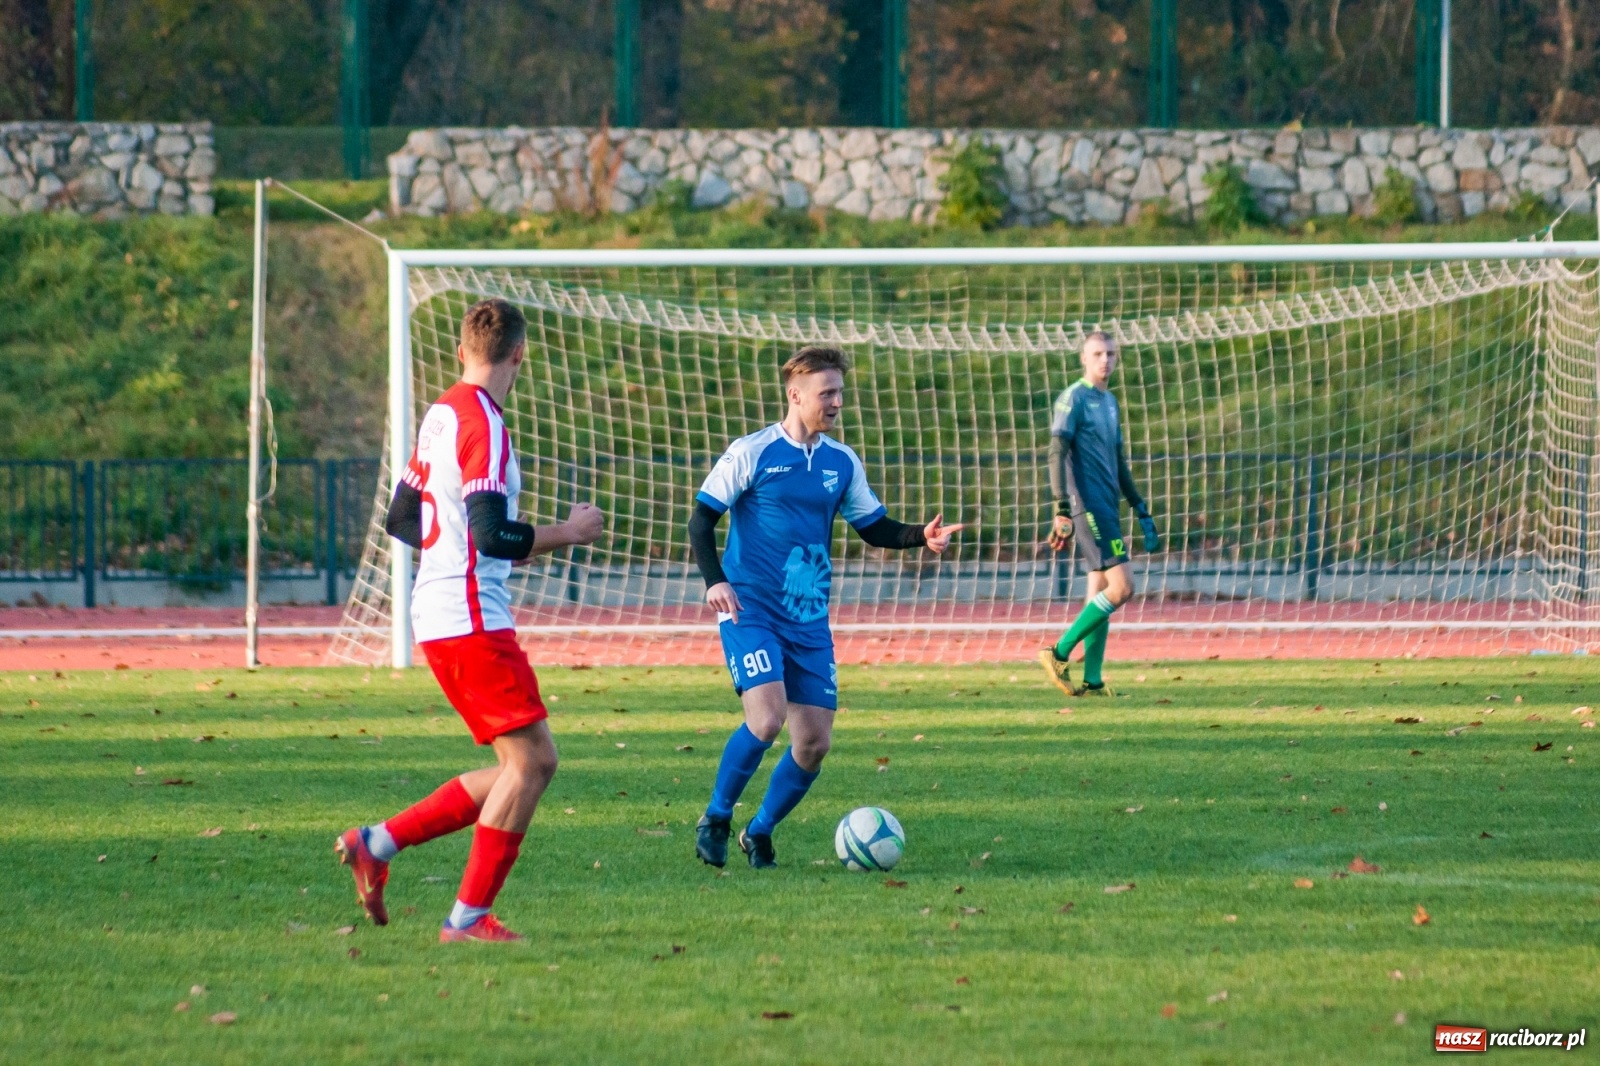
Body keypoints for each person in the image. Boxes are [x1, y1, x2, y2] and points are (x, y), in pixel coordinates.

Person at [335, 298, 604, 942]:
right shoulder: (484, 423)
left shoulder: (438, 415)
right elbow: (490, 534)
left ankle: (378, 842)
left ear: (461, 352)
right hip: (470, 617)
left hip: (439, 612)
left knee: (521, 764)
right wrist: (568, 531)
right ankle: (467, 917)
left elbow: (403, 519)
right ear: (520, 354)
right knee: (535, 764)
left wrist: (451, 554)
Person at [689, 346, 964, 869]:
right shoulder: (752, 452)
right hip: (751, 609)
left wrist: (918, 536)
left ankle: (759, 831)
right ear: (796, 395)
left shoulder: (842, 461)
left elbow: (872, 526)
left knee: (813, 743)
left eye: (839, 392)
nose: (837, 402)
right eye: (827, 393)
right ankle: (717, 817)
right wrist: (715, 581)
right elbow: (701, 521)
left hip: (809, 617)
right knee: (767, 719)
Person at [1039, 331, 1158, 697]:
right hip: (1085, 505)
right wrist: (1061, 507)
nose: (1104, 360)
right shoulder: (1073, 398)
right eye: (1097, 354)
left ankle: (1092, 679)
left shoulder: (1110, 403)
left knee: (1101, 591)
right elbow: (1056, 453)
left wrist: (1139, 505)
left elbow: (1118, 461)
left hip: (1108, 504)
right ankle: (1058, 652)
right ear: (1083, 359)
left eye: (1110, 353)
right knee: (1124, 587)